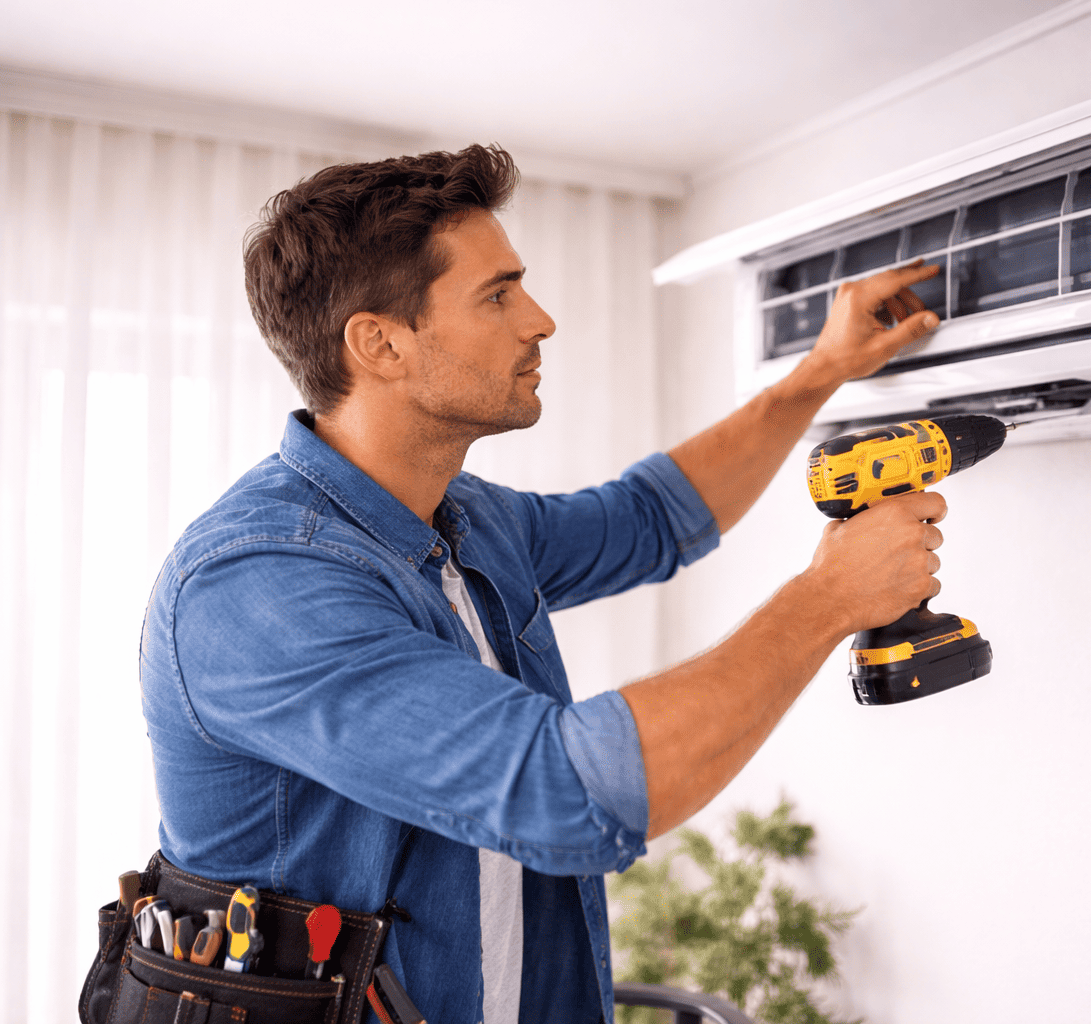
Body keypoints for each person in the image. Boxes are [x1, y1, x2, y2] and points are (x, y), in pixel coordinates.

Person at [139, 143, 946, 1024]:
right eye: (498, 293)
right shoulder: (257, 586)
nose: (541, 320)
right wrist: (828, 599)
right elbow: (568, 792)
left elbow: (650, 518)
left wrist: (818, 373)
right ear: (380, 343)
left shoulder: (465, 518)